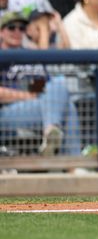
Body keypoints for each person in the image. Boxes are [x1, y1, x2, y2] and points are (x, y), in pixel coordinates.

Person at [0, 11, 79, 156]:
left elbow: (43, 85)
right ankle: (72, 163)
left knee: (64, 96)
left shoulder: (31, 54)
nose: (17, 31)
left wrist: (38, 93)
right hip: (8, 112)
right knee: (66, 104)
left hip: (39, 106)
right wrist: (27, 96)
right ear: (1, 32)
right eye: (11, 27)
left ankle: (51, 134)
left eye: (21, 28)